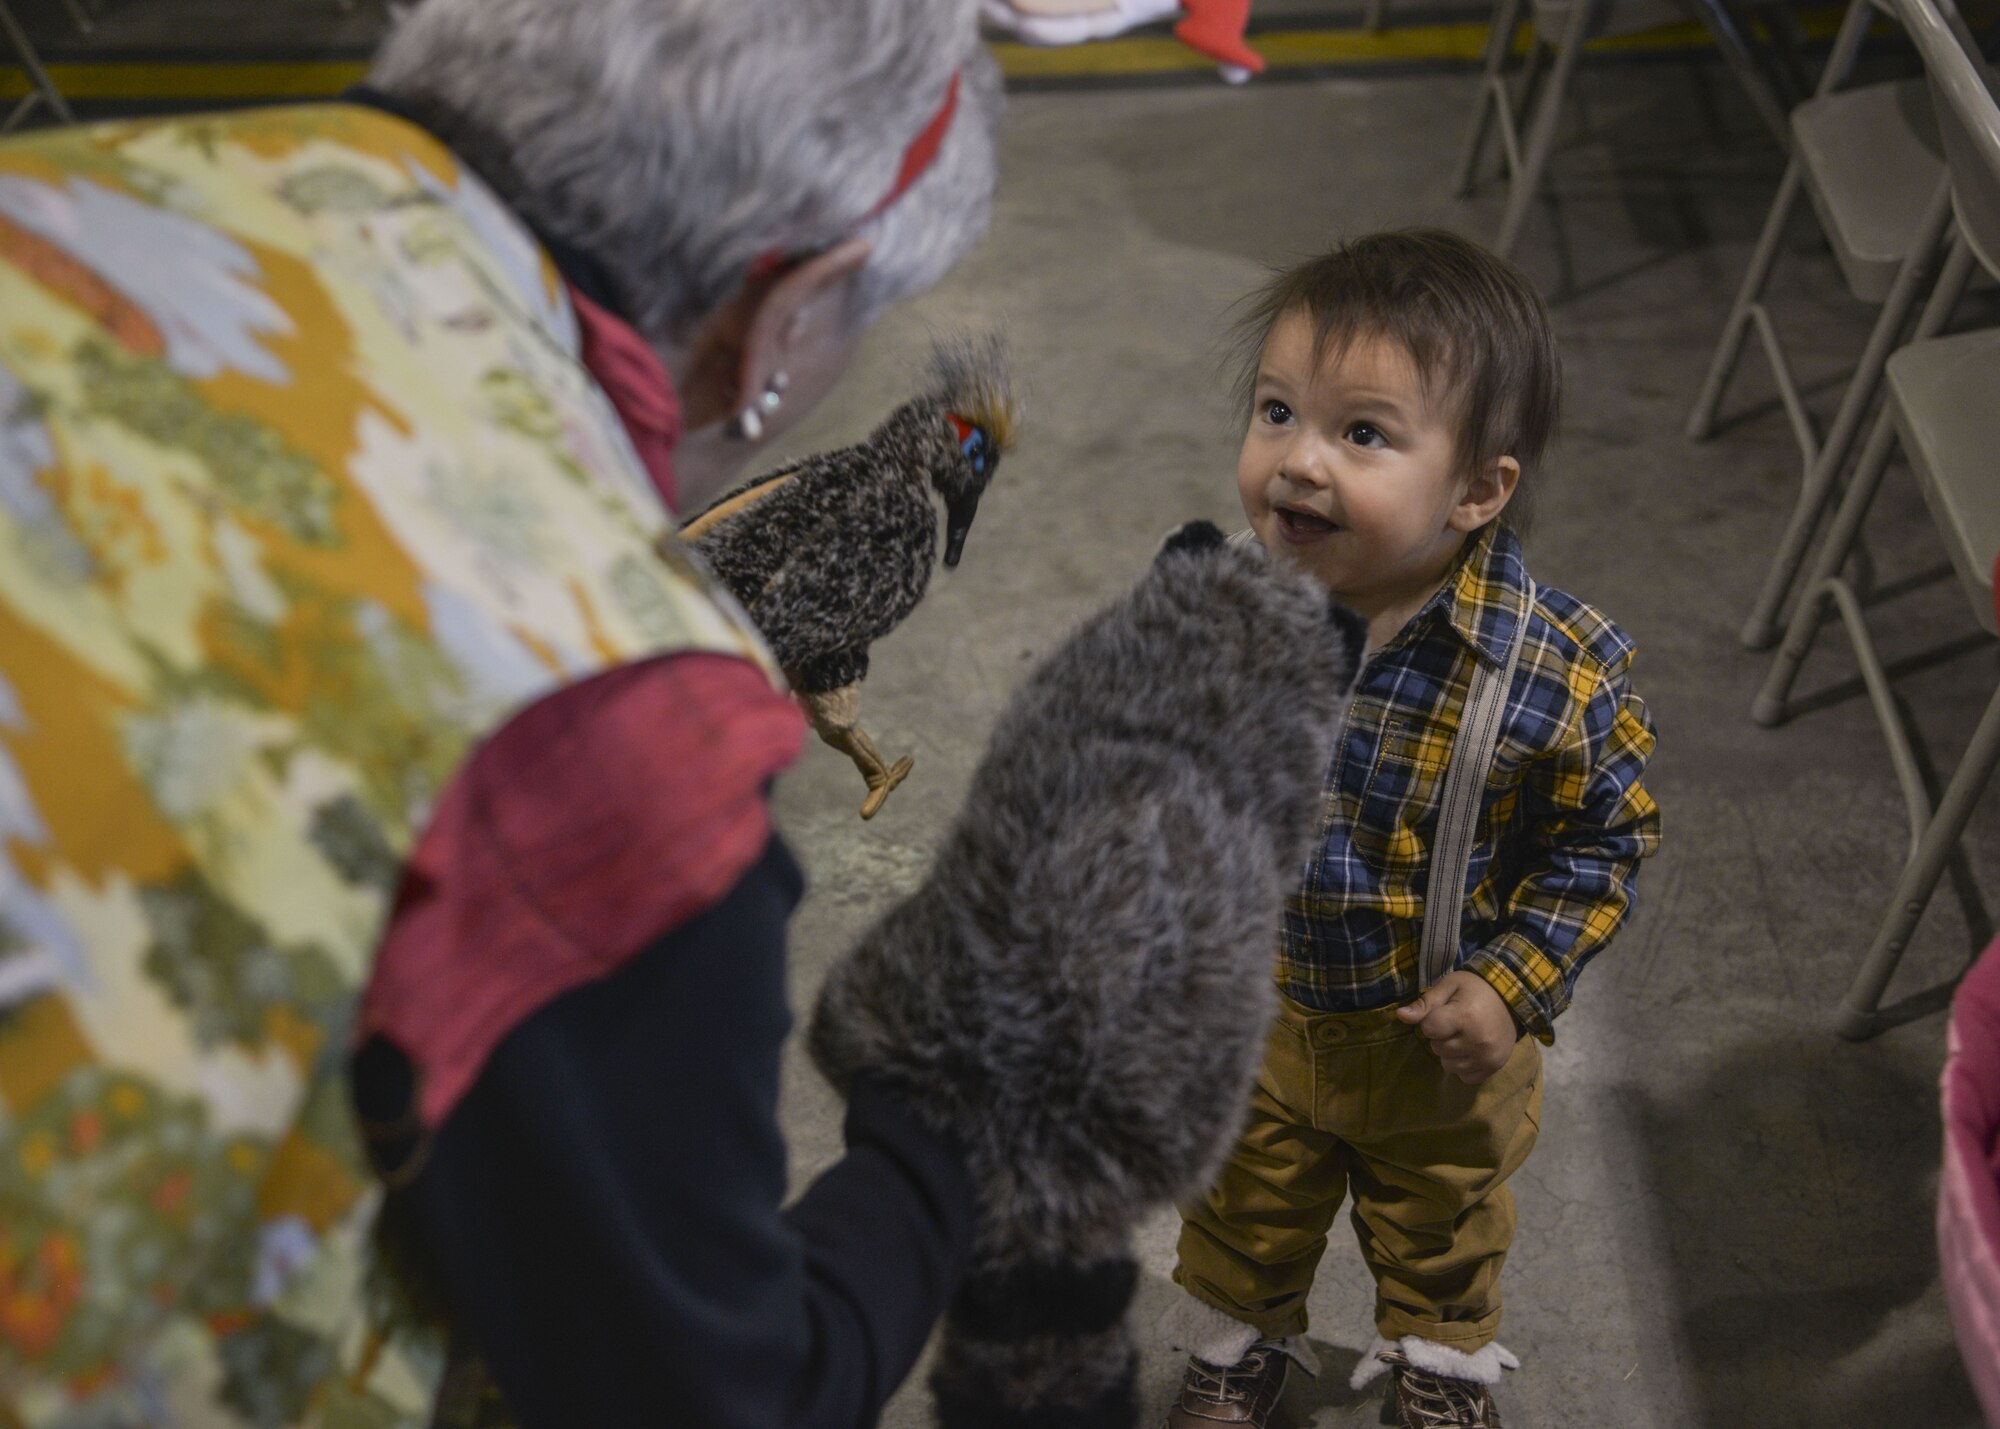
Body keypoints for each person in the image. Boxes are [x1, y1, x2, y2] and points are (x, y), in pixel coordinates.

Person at [0, 2, 1004, 1425]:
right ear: (784, 314)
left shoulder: (61, 189)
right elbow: (707, 1396)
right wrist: (947, 1136)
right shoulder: (611, 703)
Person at [1160, 230, 1661, 1429]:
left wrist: (1510, 980)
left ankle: (1437, 1364)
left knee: (1441, 1218)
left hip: (1433, 1034)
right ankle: (1242, 1338)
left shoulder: (1549, 671)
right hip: (1255, 1010)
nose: (1297, 464)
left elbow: (1602, 842)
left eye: (1362, 434)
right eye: (1277, 412)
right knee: (1241, 1201)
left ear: (1477, 490)